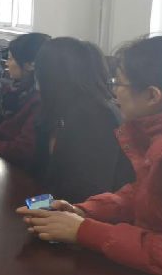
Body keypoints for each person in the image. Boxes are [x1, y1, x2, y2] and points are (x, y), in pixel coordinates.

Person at [17, 36, 162, 275]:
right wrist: (84, 211)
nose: (114, 92)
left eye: (119, 83)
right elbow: (145, 194)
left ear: (152, 95)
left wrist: (84, 231)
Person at [32, 37, 134, 202]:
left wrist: (33, 205)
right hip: (58, 205)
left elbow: (84, 190)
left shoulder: (95, 115)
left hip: (80, 211)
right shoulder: (65, 109)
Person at [0, 32, 50, 168]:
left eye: (11, 59)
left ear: (30, 65)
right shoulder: (13, 89)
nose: (7, 63)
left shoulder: (40, 100)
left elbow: (22, 150)